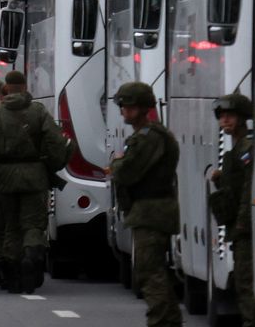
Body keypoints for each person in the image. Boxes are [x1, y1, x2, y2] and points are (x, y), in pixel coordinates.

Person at [0, 69, 66, 293]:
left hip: (5, 175)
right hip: (35, 173)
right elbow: (56, 140)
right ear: (25, 87)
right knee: (33, 223)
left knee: (11, 225)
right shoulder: (38, 111)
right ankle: (32, 254)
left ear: (5, 88)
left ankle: (13, 274)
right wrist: (52, 164)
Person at [109, 81, 180, 327]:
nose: (123, 111)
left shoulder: (149, 138)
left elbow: (127, 172)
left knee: (149, 272)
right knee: (152, 271)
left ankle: (161, 321)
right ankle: (168, 320)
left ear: (142, 107)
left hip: (152, 210)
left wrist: (117, 164)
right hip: (151, 210)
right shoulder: (148, 136)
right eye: (122, 106)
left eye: (128, 106)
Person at [209, 92, 255, 327]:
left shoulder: (246, 149)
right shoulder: (237, 149)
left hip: (247, 230)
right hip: (241, 228)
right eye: (222, 116)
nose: (225, 120)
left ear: (242, 118)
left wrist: (242, 224)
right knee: (244, 285)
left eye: (231, 115)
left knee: (247, 284)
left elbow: (248, 191)